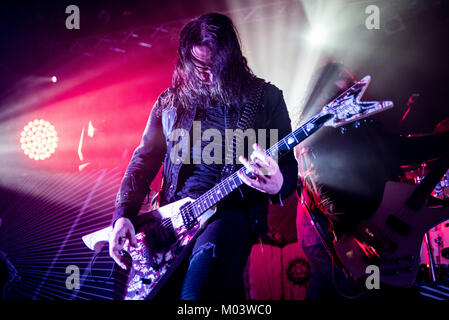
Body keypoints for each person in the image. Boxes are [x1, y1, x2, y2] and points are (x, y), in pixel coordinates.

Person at [108, 13, 298, 300]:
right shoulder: (169, 102)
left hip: (230, 214)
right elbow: (143, 161)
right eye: (196, 66)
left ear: (231, 59)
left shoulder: (265, 98)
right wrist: (123, 216)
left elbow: (287, 168)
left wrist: (278, 184)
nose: (204, 75)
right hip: (172, 220)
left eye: (212, 66)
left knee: (196, 298)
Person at [295, 62, 449, 299]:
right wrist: (354, 224)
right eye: (344, 85)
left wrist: (442, 141)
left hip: (369, 225)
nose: (354, 89)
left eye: (352, 83)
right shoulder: (317, 129)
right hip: (334, 235)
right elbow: (320, 180)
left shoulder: (362, 125)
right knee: (350, 290)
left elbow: (400, 150)